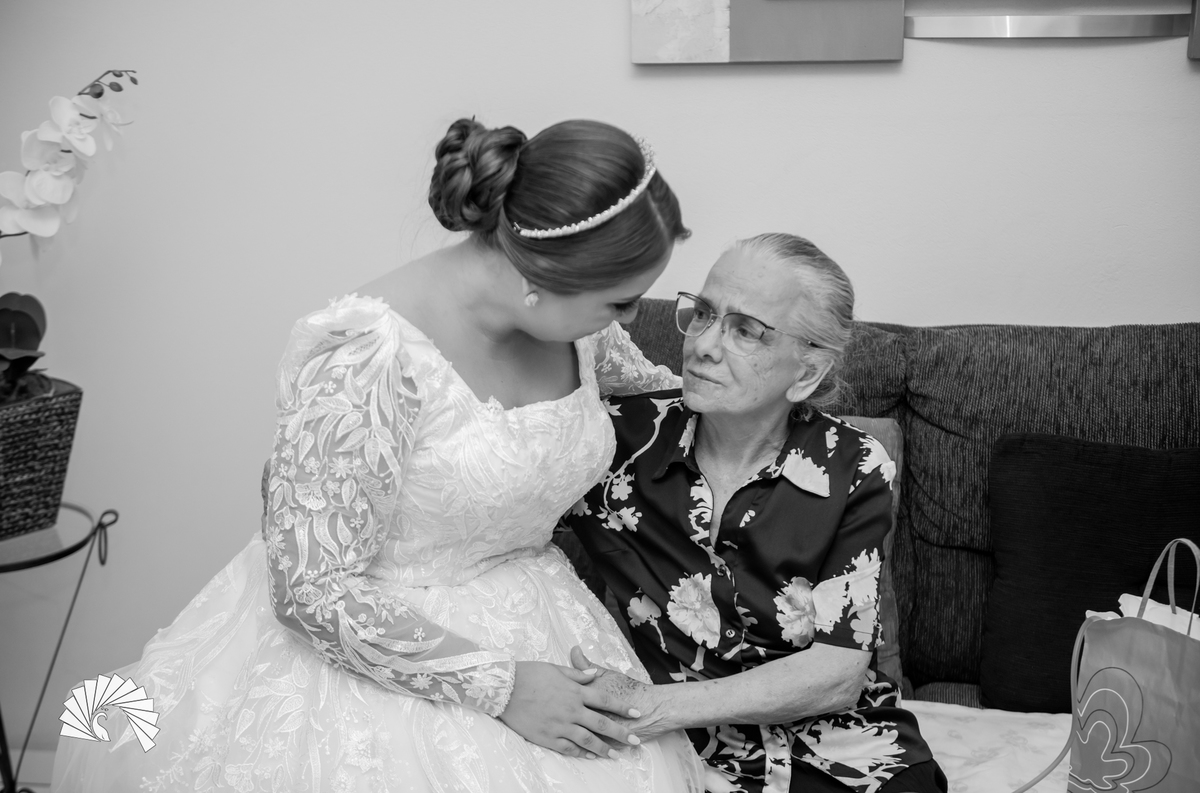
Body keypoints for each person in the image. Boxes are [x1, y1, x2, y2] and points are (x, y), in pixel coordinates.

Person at [51, 118, 705, 792]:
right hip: (374, 642)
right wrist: (503, 686)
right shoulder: (368, 354)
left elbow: (659, 398)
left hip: (540, 612)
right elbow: (309, 590)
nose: (632, 319)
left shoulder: (581, 329)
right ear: (544, 275)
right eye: (621, 301)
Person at [562, 233, 947, 793]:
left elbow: (838, 671)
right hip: (689, 751)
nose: (703, 346)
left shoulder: (855, 465)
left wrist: (654, 706)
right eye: (703, 314)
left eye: (746, 331)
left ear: (806, 373)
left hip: (844, 747)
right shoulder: (619, 441)